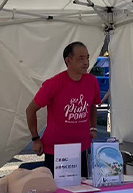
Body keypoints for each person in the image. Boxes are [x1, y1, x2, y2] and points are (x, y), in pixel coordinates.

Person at [26, 42, 101, 177]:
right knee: (56, 187)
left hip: (82, 147)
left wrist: (93, 127)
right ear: (68, 61)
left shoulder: (92, 81)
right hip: (56, 150)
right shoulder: (54, 84)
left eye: (87, 58)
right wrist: (35, 138)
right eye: (81, 58)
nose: (86, 62)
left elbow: (92, 106)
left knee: (83, 185)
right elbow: (30, 110)